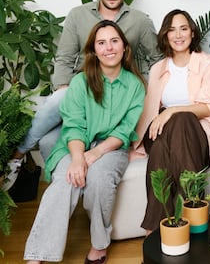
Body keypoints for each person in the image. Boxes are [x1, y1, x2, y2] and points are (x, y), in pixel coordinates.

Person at [2, 0, 161, 191]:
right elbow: (65, 56)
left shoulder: (140, 20)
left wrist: (146, 88)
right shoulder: (78, 15)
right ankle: (18, 155)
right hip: (82, 87)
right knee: (58, 100)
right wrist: (63, 89)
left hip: (118, 91)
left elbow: (155, 58)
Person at [24, 20, 146, 264]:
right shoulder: (80, 82)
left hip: (112, 147)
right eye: (101, 43)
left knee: (100, 180)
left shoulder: (136, 86)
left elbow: (124, 131)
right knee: (66, 179)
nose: (109, 48)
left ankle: (100, 245)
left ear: (124, 47)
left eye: (114, 41)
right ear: (94, 50)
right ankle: (37, 255)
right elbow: (73, 125)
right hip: (75, 144)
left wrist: (97, 153)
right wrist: (79, 158)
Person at [129, 9, 210, 233]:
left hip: (195, 135)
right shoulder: (158, 69)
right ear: (165, 36)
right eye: (171, 30)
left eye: (183, 28)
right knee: (170, 131)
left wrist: (172, 111)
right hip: (159, 132)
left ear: (192, 33)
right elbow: (150, 112)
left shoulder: (207, 63)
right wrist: (164, 115)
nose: (178, 35)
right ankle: (192, 213)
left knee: (180, 123)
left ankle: (155, 229)